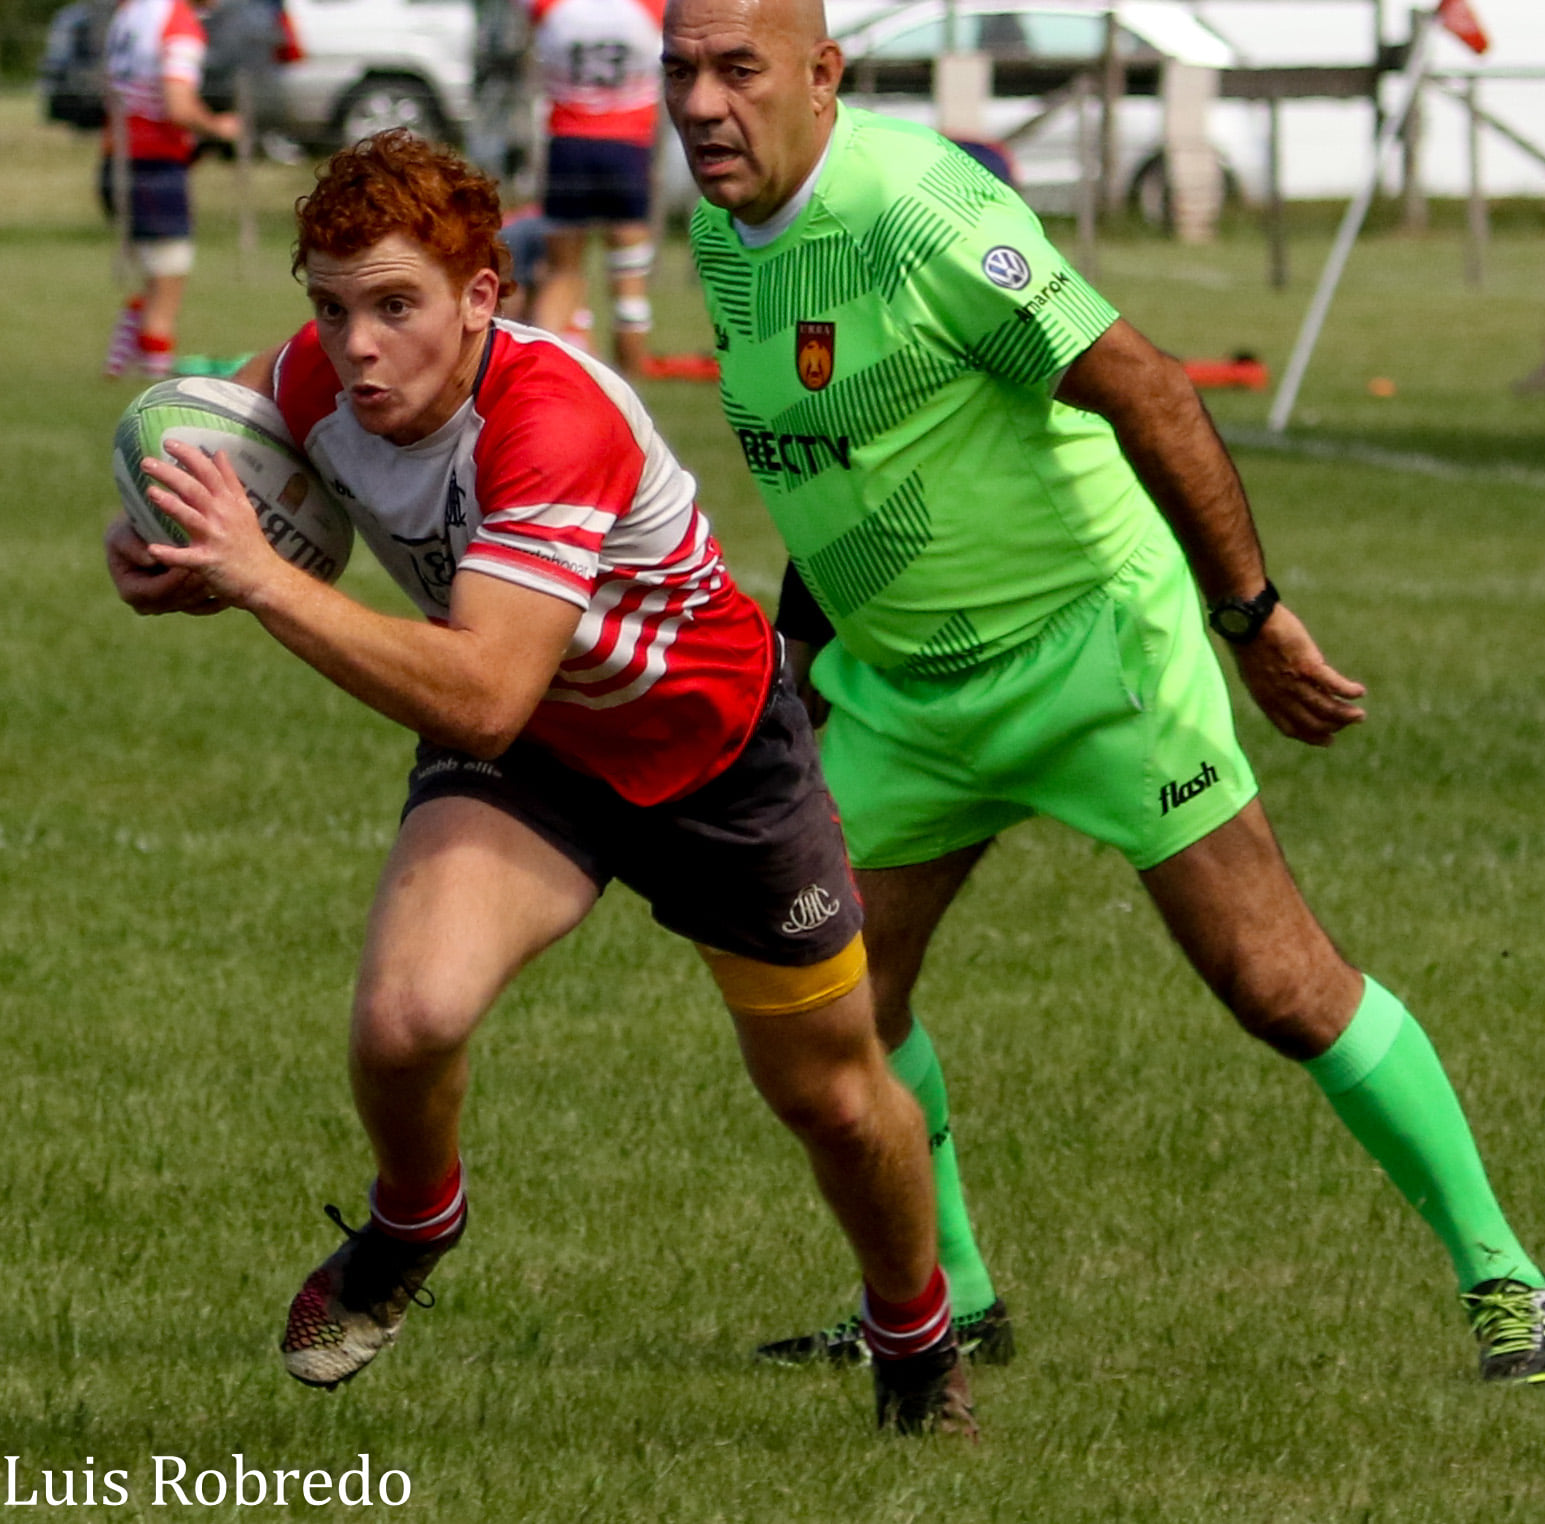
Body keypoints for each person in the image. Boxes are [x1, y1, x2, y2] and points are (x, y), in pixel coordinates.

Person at [661, 0, 1545, 1386]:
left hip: (1091, 648)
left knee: (1275, 986)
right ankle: (946, 1300)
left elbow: (1144, 385)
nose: (702, 104)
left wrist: (1246, 612)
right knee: (841, 1001)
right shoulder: (723, 238)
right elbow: (822, 466)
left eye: (738, 69)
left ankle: (1514, 1289)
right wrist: (791, 662)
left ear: (822, 74)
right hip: (902, 690)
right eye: (682, 71)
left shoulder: (918, 210)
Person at [102, 130, 975, 1438]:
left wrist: (262, 578)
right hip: (535, 760)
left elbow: (479, 689)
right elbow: (225, 452)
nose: (358, 346)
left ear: (479, 298)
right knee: (406, 1018)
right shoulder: (315, 376)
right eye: (332, 308)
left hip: (712, 757)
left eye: (396, 305)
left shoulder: (552, 418)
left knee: (832, 1099)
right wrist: (161, 544)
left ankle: (917, 1346)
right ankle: (413, 1221)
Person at [502, 0, 686, 379]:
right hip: (626, 147)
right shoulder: (651, 3)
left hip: (569, 145)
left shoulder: (556, 3)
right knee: (628, 274)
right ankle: (632, 373)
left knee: (562, 269)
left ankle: (541, 363)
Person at [101, 0, 239, 383]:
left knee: (152, 276)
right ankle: (155, 385)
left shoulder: (132, 9)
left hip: (116, 158)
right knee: (168, 286)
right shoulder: (179, 22)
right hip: (155, 166)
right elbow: (177, 105)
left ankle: (117, 366)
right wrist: (218, 126)